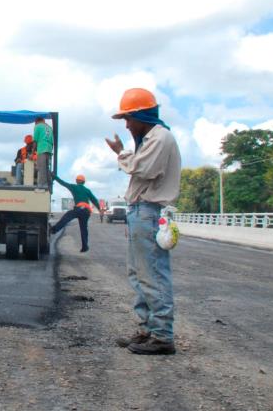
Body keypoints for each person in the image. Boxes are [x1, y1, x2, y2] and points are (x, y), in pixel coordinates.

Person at [105, 87, 181, 356]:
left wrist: (121, 153)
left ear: (142, 116)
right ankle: (147, 329)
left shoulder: (159, 139)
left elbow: (143, 169)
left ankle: (162, 335)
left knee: (152, 275)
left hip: (149, 211)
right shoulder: (149, 139)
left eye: (128, 119)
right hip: (140, 211)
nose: (126, 125)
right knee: (138, 274)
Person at [50, 174, 101, 252]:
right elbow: (94, 200)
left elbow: (63, 183)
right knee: (84, 228)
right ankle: (85, 246)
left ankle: (54, 230)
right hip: (86, 211)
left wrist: (55, 177)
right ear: (84, 182)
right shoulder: (87, 190)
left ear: (76, 181)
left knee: (66, 218)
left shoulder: (73, 187)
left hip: (78, 209)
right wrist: (100, 210)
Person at [33, 116, 53, 186]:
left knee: (41, 168)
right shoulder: (49, 128)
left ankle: (42, 184)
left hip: (42, 148)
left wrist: (32, 152)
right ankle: (48, 183)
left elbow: (35, 141)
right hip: (49, 149)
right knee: (46, 168)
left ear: (36, 121)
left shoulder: (38, 126)